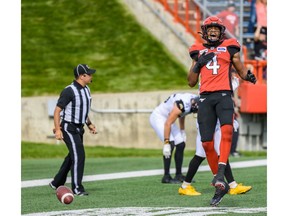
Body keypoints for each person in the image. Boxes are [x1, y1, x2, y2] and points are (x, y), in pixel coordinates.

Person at [187, 16, 257, 206]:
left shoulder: (230, 46)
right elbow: (191, 81)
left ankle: (220, 174)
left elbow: (241, 70)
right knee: (206, 143)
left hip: (224, 96)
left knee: (227, 131)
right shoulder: (197, 50)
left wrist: (249, 76)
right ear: (204, 31)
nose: (213, 32)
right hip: (205, 98)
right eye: (210, 29)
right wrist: (200, 63)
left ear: (221, 31)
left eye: (216, 29)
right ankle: (220, 183)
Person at [179, 75, 252, 196]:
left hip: (213, 117)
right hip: (208, 119)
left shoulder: (215, 78)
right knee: (204, 154)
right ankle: (187, 185)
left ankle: (231, 184)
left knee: (214, 152)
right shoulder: (213, 80)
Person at [49, 64, 98, 196]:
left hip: (79, 128)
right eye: (89, 74)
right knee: (79, 155)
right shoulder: (69, 91)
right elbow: (57, 111)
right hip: (68, 127)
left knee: (72, 155)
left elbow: (82, 109)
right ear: (82, 76)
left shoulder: (86, 89)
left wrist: (89, 123)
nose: (91, 76)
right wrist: (58, 129)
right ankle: (77, 188)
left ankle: (57, 182)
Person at [149, 93, 199, 183]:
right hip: (159, 117)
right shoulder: (182, 104)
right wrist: (166, 142)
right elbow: (168, 123)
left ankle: (178, 175)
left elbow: (182, 114)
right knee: (171, 144)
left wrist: (182, 130)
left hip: (169, 118)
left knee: (181, 144)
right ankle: (166, 176)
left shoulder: (193, 100)